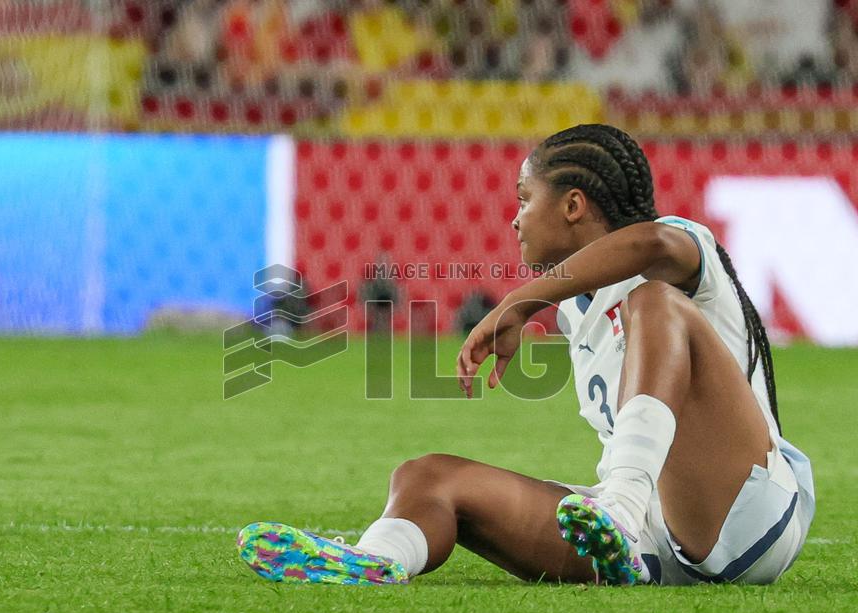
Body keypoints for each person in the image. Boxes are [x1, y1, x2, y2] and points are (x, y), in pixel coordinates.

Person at [237, 123, 815, 586]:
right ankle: (376, 560)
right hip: (656, 539)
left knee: (654, 304)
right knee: (428, 476)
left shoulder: (680, 252)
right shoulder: (576, 311)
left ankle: (617, 507)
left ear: (571, 206)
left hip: (751, 514)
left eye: (524, 198)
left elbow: (649, 244)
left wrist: (518, 303)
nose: (514, 218)